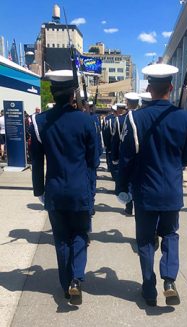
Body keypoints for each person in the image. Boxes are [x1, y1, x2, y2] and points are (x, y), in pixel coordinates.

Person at [118, 63, 187, 307]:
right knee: (170, 235)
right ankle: (169, 280)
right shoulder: (185, 118)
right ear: (171, 88)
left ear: (149, 88)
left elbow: (126, 158)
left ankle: (149, 288)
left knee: (145, 240)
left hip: (145, 192)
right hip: (172, 191)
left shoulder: (134, 118)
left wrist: (122, 188)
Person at [30, 69, 99, 305]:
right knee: (80, 234)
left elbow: (37, 160)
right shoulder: (87, 120)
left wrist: (39, 190)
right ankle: (76, 279)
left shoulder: (39, 122)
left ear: (53, 92)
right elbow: (94, 160)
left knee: (61, 237)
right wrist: (92, 189)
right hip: (80, 190)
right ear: (73, 93)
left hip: (55, 190)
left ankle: (65, 283)